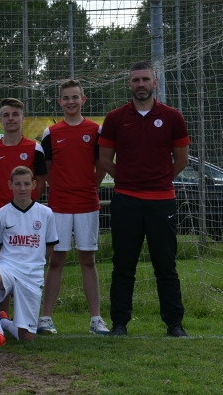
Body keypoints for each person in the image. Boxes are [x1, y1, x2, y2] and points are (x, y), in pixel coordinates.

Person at [98, 61, 191, 337]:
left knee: (166, 265)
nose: (141, 84)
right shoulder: (115, 118)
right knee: (123, 265)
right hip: (126, 200)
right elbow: (104, 159)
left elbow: (182, 159)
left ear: (155, 83)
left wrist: (158, 180)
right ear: (129, 84)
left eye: (146, 79)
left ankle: (174, 324)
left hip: (162, 201)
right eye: (136, 80)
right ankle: (119, 324)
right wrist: (128, 180)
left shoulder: (173, 117)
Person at [39, 80, 109, 336]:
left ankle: (96, 319)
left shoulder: (95, 130)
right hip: (59, 205)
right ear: (60, 101)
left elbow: (101, 165)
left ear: (83, 100)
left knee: (88, 259)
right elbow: (47, 169)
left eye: (75, 97)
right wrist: (60, 188)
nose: (71, 102)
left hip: (87, 203)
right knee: (56, 259)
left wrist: (90, 186)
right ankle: (46, 317)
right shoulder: (51, 133)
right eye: (66, 98)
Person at [0, 166, 58, 347]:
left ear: (34, 185)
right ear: (10, 185)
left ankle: (3, 322)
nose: (22, 188)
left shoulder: (46, 213)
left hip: (32, 274)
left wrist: (34, 263)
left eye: (26, 184)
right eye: (18, 184)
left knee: (27, 337)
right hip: (8, 267)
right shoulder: (0, 214)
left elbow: (50, 246)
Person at [0, 97, 47, 213]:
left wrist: (28, 203)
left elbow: (41, 182)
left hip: (28, 212)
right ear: (1, 120)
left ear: (23, 118)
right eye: (6, 115)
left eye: (15, 114)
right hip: (0, 211)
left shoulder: (35, 148)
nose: (11, 118)